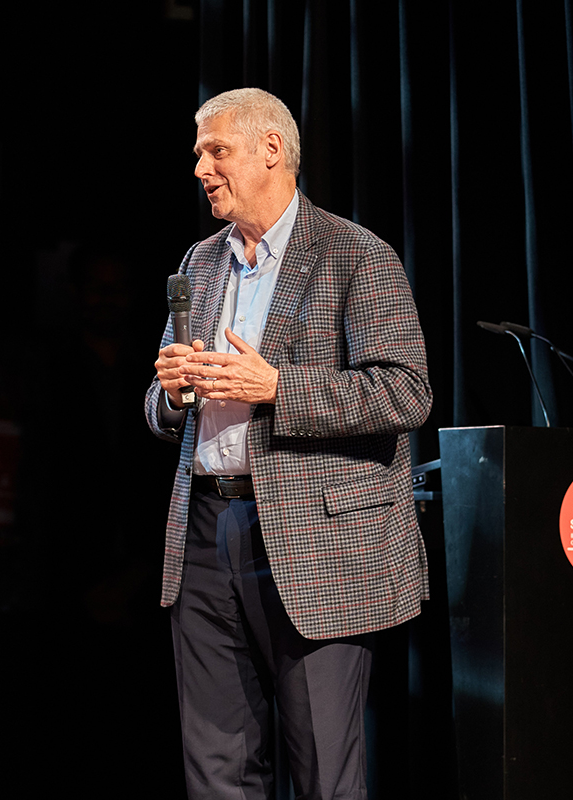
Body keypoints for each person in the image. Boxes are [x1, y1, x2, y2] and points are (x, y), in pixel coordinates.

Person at [145, 88, 432, 800]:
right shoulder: (201, 262)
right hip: (209, 534)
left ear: (271, 150)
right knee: (217, 771)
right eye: (199, 155)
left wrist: (278, 386)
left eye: (217, 151)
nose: (201, 169)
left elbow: (404, 392)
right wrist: (174, 392)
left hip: (315, 544)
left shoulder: (354, 255)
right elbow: (159, 404)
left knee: (322, 772)